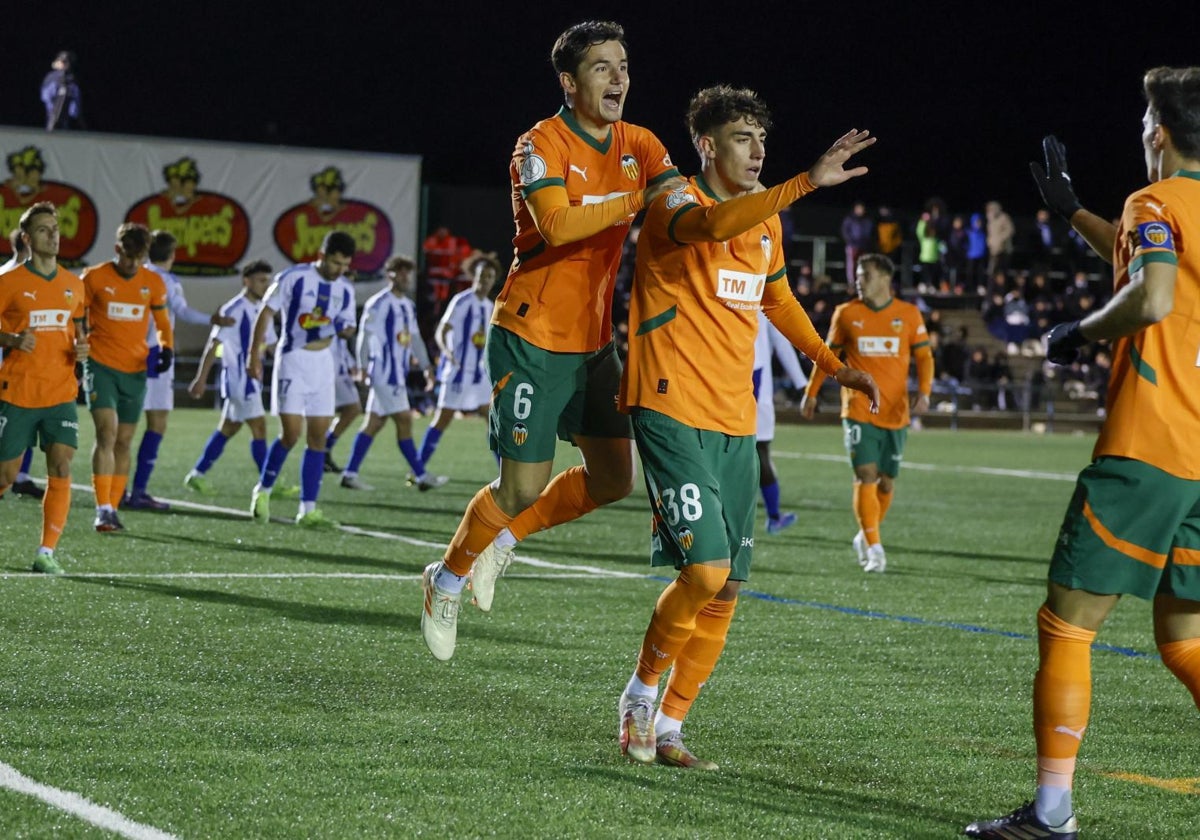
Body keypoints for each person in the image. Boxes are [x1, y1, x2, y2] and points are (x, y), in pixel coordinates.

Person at [965, 66, 1200, 839]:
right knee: (1186, 639)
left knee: (1068, 626)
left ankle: (1052, 815)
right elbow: (1153, 267)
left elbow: (1154, 293)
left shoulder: (1154, 201)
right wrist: (1074, 215)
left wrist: (1078, 332)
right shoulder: (1159, 213)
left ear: (1157, 134)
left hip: (1150, 446)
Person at [616, 84, 879, 769]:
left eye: (763, 139)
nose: (758, 150)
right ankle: (640, 695)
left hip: (734, 416)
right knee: (704, 569)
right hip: (669, 405)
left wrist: (831, 364)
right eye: (742, 138)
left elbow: (779, 298)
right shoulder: (676, 200)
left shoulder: (766, 223)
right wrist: (804, 182)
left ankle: (671, 724)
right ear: (706, 144)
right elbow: (711, 229)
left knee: (728, 583)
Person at [420, 20, 684, 660]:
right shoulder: (539, 143)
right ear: (570, 82)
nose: (619, 77)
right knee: (520, 487)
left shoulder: (640, 142)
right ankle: (445, 578)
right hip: (531, 335)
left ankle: (504, 543)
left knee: (614, 479)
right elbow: (559, 225)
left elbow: (674, 202)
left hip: (594, 343)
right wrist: (634, 200)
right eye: (602, 67)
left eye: (623, 65)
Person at [800, 253, 933, 573]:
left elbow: (925, 358)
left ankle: (865, 533)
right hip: (858, 409)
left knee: (886, 482)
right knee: (866, 475)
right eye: (858, 275)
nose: (859, 281)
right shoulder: (845, 314)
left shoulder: (909, 314)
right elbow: (827, 357)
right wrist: (811, 392)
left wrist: (925, 393)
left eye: (866, 275)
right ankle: (875, 547)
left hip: (896, 411)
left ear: (886, 279)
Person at [0, 202, 88, 572]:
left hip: (60, 393)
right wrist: (12, 339)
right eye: (43, 230)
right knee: (5, 475)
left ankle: (46, 553)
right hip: (18, 392)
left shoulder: (74, 285)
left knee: (62, 467)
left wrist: (82, 348)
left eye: (55, 228)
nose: (53, 234)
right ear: (26, 238)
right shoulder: (8, 283)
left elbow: (78, 331)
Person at [247, 231, 356, 528]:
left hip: (323, 363)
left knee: (318, 437)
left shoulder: (344, 288)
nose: (340, 270)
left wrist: (345, 330)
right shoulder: (293, 277)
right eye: (335, 263)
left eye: (345, 265)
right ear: (321, 255)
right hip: (293, 359)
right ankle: (263, 490)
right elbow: (266, 314)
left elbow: (347, 325)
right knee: (291, 434)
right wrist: (254, 355)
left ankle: (307, 510)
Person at [124, 230, 234, 510]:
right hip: (156, 355)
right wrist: (213, 319)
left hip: (127, 354)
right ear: (172, 255)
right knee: (156, 424)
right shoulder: (167, 281)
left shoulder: (133, 274)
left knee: (123, 428)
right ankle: (138, 492)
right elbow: (182, 312)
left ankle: (115, 493)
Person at [81, 223, 172, 532]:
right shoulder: (94, 277)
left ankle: (114, 506)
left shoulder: (154, 283)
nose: (132, 264)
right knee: (106, 433)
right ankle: (102, 508)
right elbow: (76, 316)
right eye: (128, 256)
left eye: (139, 257)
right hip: (100, 365)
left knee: (124, 441)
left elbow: (161, 320)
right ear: (117, 250)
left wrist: (167, 346)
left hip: (134, 370)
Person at [336, 254, 441, 491]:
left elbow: (414, 339)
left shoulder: (407, 305)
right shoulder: (378, 303)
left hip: (397, 374)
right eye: (400, 272)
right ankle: (421, 475)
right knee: (404, 419)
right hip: (384, 374)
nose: (405, 277)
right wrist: (362, 367)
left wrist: (427, 368)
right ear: (389, 275)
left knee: (373, 423)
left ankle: (349, 473)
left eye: (407, 273)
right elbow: (364, 336)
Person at [183, 260, 277, 495]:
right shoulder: (233, 309)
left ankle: (197, 474)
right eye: (261, 280)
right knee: (259, 427)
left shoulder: (265, 310)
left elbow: (273, 346)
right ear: (247, 281)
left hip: (252, 379)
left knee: (229, 428)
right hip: (239, 380)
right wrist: (201, 378)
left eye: (268, 281)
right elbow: (213, 345)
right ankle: (268, 482)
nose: (266, 286)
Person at [417, 252, 499, 471]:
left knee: (492, 420)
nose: (485, 281)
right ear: (474, 276)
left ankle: (505, 473)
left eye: (490, 277)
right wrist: (446, 351)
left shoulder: (490, 307)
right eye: (482, 276)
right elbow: (442, 330)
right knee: (442, 419)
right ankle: (418, 469)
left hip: (479, 375)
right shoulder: (462, 301)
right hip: (458, 371)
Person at [753, 309, 809, 534]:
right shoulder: (760, 292)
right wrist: (802, 383)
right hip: (755, 383)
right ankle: (774, 516)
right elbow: (781, 340)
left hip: (727, 381)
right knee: (760, 451)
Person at [1, 227, 45, 499]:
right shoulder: (8, 277)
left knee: (26, 419)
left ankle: (21, 476)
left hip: (28, 361)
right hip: (9, 359)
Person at [322, 276, 364, 474]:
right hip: (322, 364)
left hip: (339, 365)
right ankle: (318, 454)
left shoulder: (344, 302)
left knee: (353, 408)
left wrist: (351, 363)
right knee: (323, 413)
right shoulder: (322, 301)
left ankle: (324, 449)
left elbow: (344, 338)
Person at [40, 51, 83, 131]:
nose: (65, 64)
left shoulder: (72, 80)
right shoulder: (52, 77)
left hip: (66, 118)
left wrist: (73, 113)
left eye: (67, 62)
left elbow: (76, 99)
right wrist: (52, 109)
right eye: (62, 61)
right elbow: (45, 96)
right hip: (52, 115)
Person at [840, 201, 874, 286]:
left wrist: (866, 242)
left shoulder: (867, 220)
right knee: (851, 264)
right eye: (858, 209)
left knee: (863, 264)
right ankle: (851, 282)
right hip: (852, 245)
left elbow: (869, 232)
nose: (860, 211)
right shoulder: (849, 219)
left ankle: (862, 281)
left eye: (862, 209)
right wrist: (850, 241)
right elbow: (845, 231)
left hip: (863, 246)